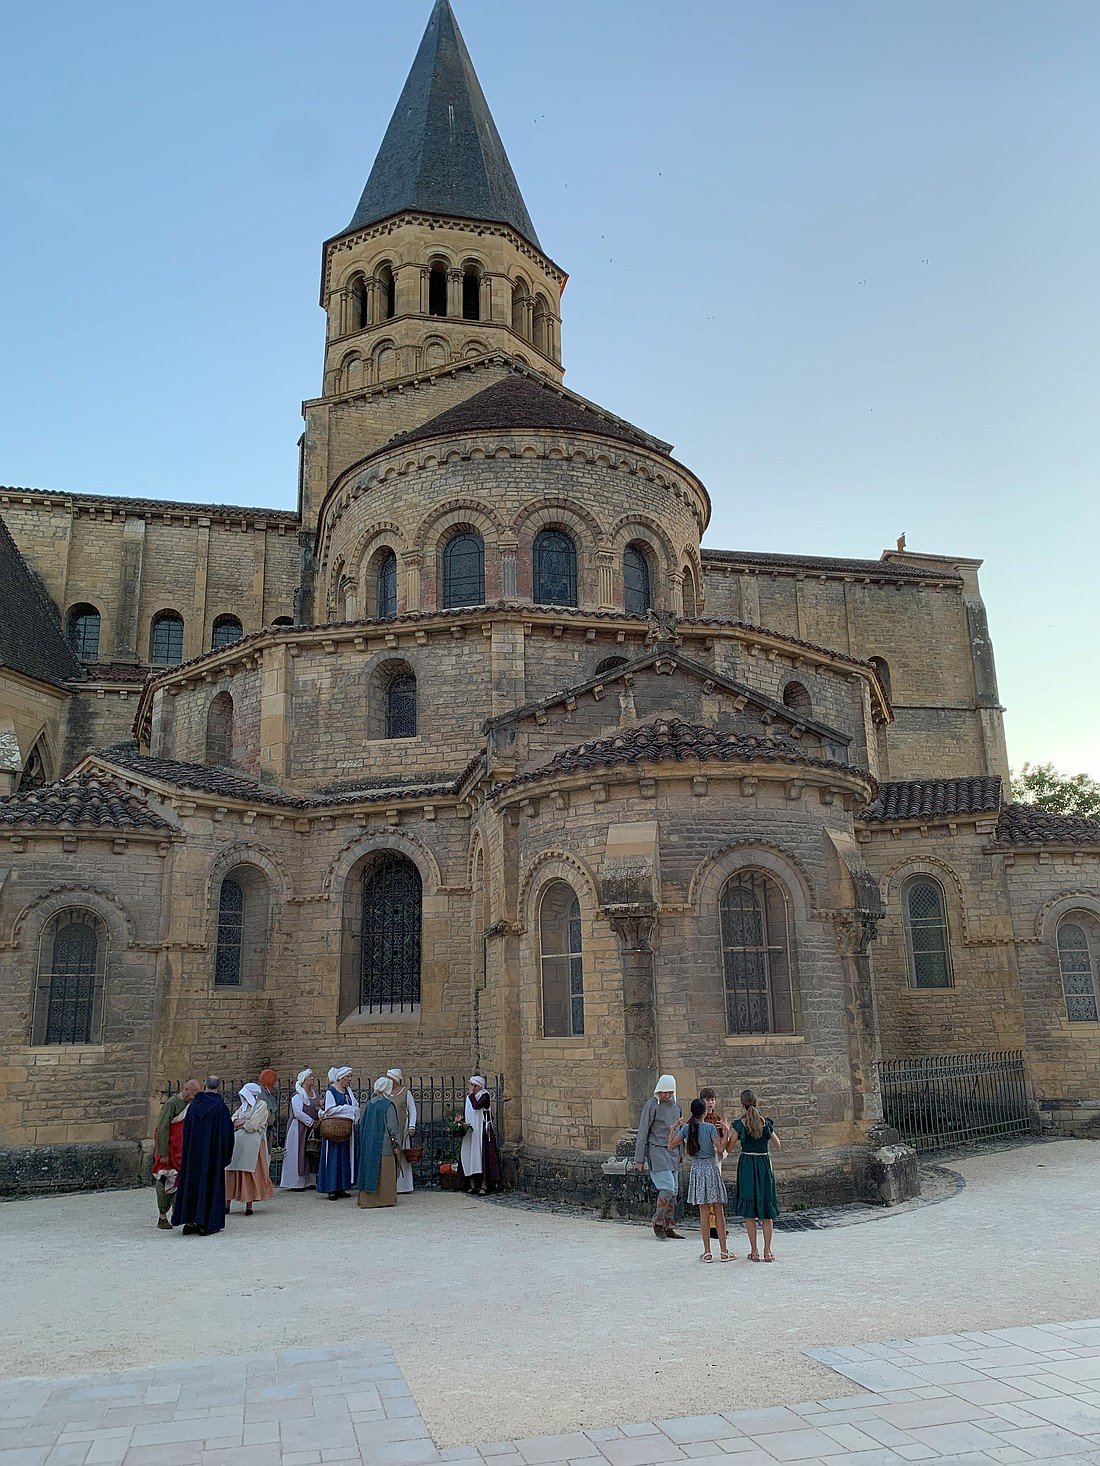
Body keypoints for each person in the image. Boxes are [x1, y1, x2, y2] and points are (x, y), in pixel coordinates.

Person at [172, 1075, 235, 1236]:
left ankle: (189, 1220)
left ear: (205, 1085)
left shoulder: (193, 1106)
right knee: (209, 1186)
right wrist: (225, 1156)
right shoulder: (220, 1109)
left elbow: (185, 1130)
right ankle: (204, 1223)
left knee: (191, 1185)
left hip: (193, 1155)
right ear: (219, 1088)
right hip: (211, 1156)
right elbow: (227, 1135)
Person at [670, 1098, 732, 1262]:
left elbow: (670, 1145)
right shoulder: (710, 1128)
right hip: (711, 1169)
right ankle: (724, 1251)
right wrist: (726, 1131)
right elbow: (721, 1148)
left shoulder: (686, 1129)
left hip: (697, 1170)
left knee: (704, 1213)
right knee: (718, 1211)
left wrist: (673, 1129)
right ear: (704, 1112)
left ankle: (707, 1252)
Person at [728, 1089, 782, 1262]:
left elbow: (728, 1148)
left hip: (747, 1166)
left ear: (742, 1104)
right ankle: (768, 1252)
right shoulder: (764, 1122)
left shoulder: (740, 1124)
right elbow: (777, 1144)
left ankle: (754, 1251)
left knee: (749, 1212)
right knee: (767, 1212)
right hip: (763, 1164)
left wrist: (726, 1131)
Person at [633, 1074, 685, 1240]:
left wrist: (681, 1151)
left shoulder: (677, 1106)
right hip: (657, 1151)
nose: (667, 1096)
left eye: (670, 1093)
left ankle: (668, 1224)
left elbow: (680, 1130)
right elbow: (643, 1132)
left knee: (674, 1192)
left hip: (673, 1151)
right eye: (664, 1093)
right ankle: (657, 1221)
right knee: (668, 1188)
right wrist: (639, 1158)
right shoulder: (651, 1106)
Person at [152, 1079, 200, 1229]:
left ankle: (180, 1214)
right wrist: (163, 1153)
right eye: (193, 1094)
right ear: (186, 1090)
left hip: (182, 1151)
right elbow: (163, 1128)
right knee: (166, 1180)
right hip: (170, 1151)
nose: (194, 1097)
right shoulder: (172, 1104)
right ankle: (162, 1215)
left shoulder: (190, 1104)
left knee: (182, 1184)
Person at [225, 1083, 275, 1216]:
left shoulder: (261, 1105)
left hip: (254, 1144)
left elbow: (253, 1124)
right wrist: (243, 1122)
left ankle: (249, 1204)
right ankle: (227, 1202)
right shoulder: (242, 1107)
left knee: (249, 1173)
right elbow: (232, 1120)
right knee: (232, 1170)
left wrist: (241, 1123)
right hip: (238, 1144)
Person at [356, 1076, 403, 1208]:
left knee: (370, 1169)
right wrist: (397, 1143)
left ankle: (367, 1200)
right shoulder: (388, 1105)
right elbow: (392, 1127)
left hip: (368, 1144)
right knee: (385, 1172)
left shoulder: (369, 1104)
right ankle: (384, 1199)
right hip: (384, 1144)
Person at [317, 1066, 359, 1199]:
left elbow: (356, 1107)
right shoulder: (331, 1091)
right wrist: (347, 1109)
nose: (350, 1080)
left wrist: (351, 1111)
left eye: (350, 1077)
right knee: (333, 1158)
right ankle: (331, 1188)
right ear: (341, 1077)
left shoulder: (348, 1092)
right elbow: (329, 1109)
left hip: (345, 1130)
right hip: (333, 1131)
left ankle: (342, 1186)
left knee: (344, 1157)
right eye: (348, 1077)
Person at [459, 1076, 501, 1195]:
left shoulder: (485, 1096)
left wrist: (471, 1094)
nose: (472, 1088)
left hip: (481, 1131)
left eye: (474, 1085)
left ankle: (484, 1184)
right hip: (471, 1132)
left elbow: (477, 1106)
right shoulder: (469, 1098)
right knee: (469, 1155)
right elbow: (469, 1111)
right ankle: (472, 1183)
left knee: (482, 1157)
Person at [281, 1069, 321, 1191]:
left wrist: (319, 1117)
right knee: (297, 1154)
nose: (312, 1078)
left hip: (312, 1129)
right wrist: (311, 1122)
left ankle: (310, 1181)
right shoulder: (297, 1095)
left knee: (310, 1154)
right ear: (304, 1080)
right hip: (299, 1128)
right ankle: (296, 1183)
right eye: (310, 1076)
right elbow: (298, 1112)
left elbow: (318, 1107)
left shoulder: (314, 1093)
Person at [386, 1068, 418, 1194]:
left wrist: (412, 1126)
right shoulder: (386, 1092)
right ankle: (390, 1184)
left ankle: (404, 1185)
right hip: (389, 1129)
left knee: (402, 1155)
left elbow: (412, 1110)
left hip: (402, 1128)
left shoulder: (405, 1092)